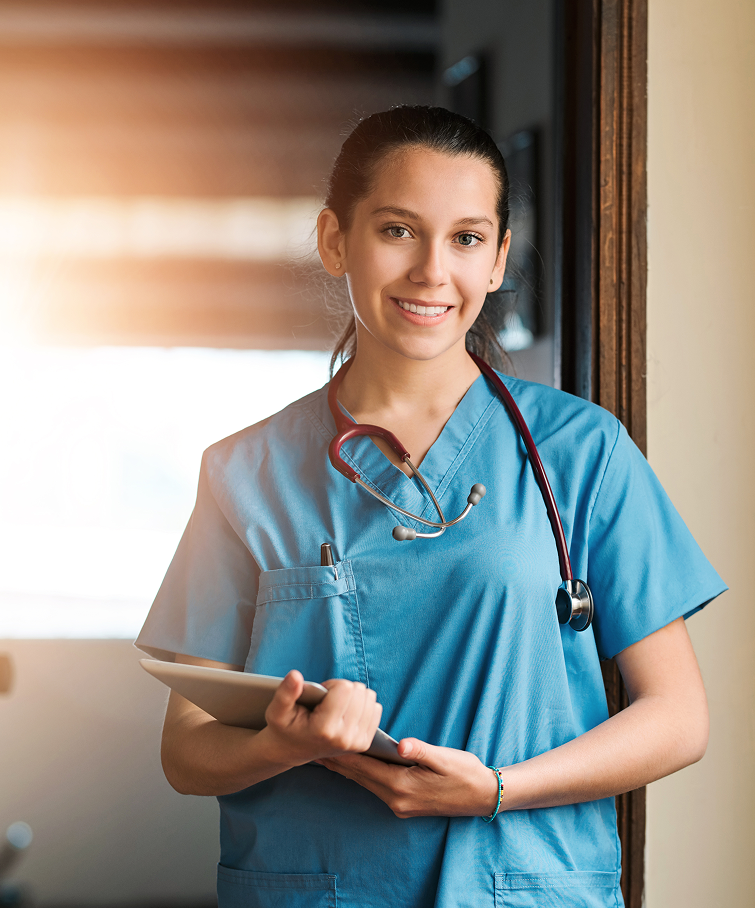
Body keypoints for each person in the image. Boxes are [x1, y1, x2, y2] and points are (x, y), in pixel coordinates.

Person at [136, 105, 725, 908]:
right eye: (398, 230)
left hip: (526, 886)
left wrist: (495, 789)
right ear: (335, 240)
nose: (431, 272)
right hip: (322, 888)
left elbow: (678, 717)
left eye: (467, 238)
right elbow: (186, 751)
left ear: (497, 260)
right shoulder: (246, 473)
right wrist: (286, 742)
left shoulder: (584, 453)